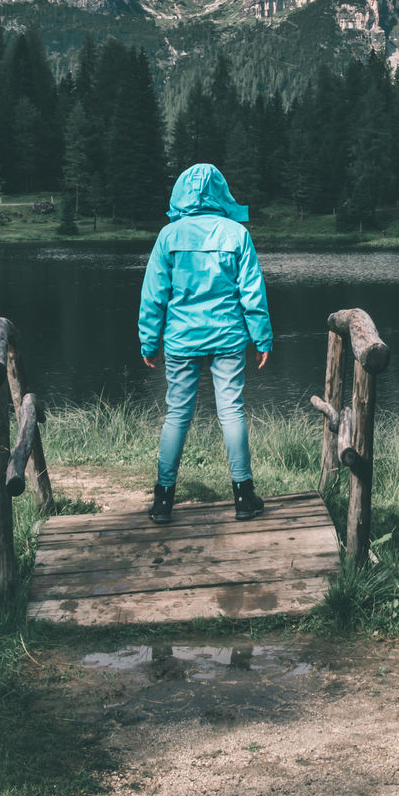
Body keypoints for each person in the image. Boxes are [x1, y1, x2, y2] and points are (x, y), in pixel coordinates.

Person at [138, 162, 272, 525]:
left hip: (181, 339)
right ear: (220, 192)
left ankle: (163, 501)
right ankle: (244, 497)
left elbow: (154, 296)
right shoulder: (236, 234)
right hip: (228, 337)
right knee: (232, 410)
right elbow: (252, 294)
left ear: (182, 191)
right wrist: (261, 338)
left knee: (177, 415)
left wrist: (148, 343)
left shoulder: (169, 236)